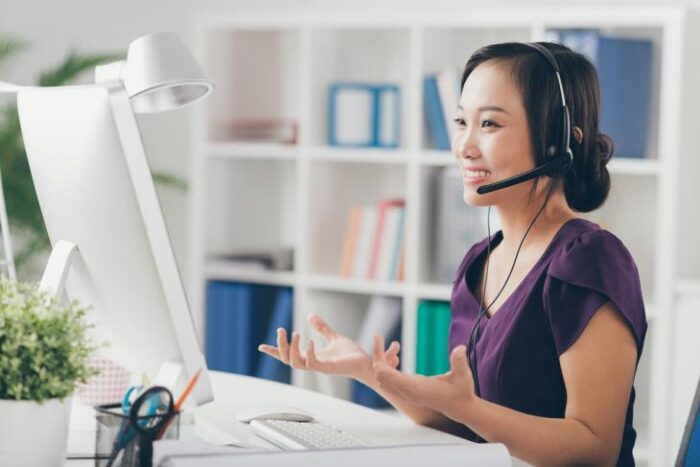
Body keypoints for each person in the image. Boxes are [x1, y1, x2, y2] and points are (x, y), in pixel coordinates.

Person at [258, 42, 646, 466]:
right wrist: (369, 372)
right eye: (462, 121)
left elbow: (595, 449)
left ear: (557, 142)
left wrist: (468, 409)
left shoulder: (589, 258)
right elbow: (463, 426)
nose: (464, 145)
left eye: (490, 124)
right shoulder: (479, 263)